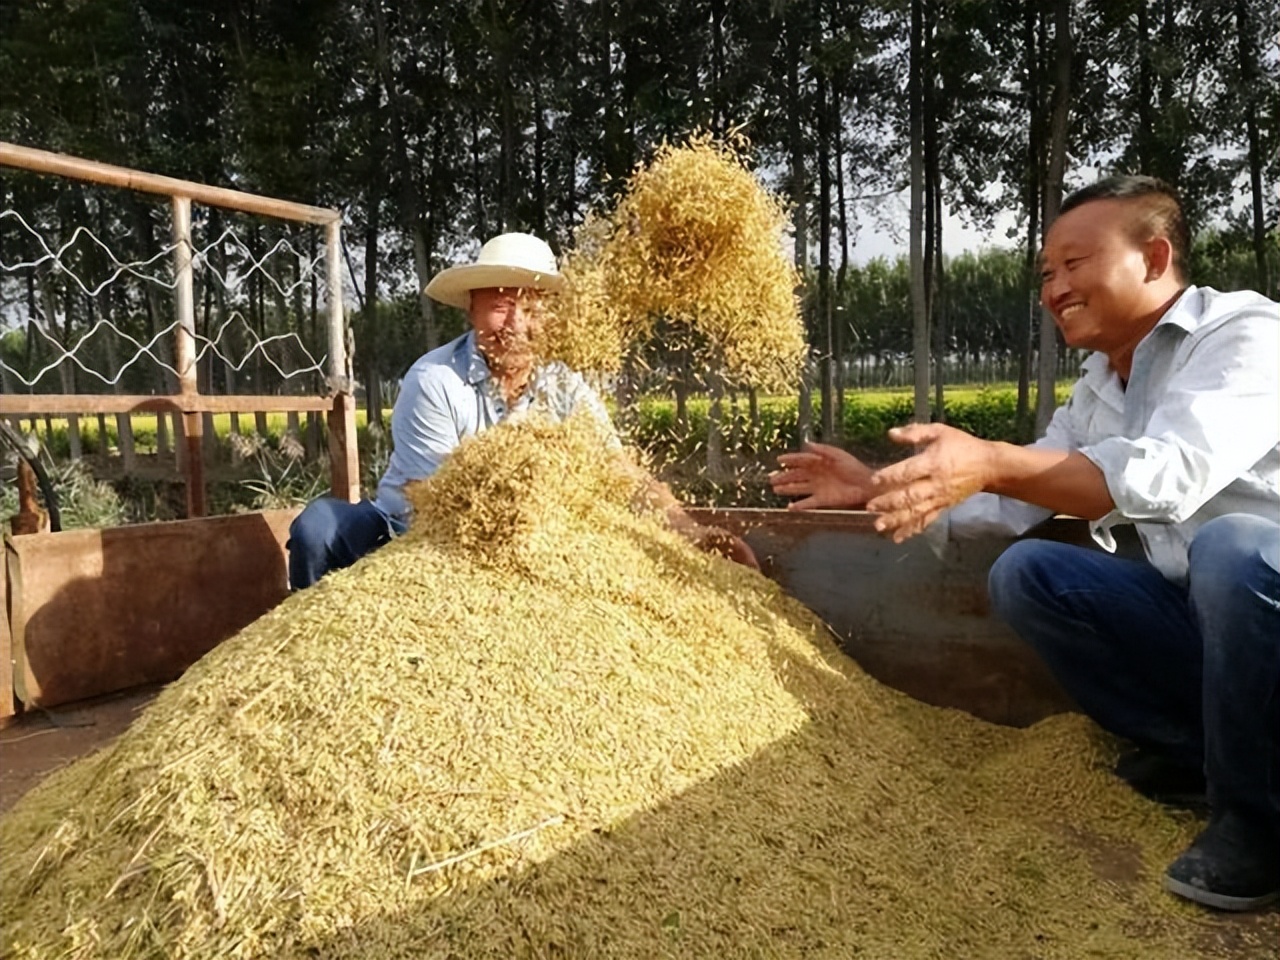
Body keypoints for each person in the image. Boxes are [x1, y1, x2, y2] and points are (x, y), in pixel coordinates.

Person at [769, 175, 1279, 912]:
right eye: (1046, 273)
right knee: (1030, 571)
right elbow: (1015, 500)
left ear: (1155, 256)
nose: (1055, 287)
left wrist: (992, 456)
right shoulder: (1102, 386)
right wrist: (879, 488)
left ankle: (1256, 822)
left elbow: (1170, 472)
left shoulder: (1244, 336)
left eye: (1075, 264)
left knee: (1232, 546)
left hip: (1261, 602)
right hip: (1206, 625)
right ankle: (1200, 760)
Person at [288, 231, 756, 590]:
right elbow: (432, 502)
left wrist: (690, 533)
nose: (515, 325)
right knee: (318, 528)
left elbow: (621, 473)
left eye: (532, 310)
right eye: (500, 306)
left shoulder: (565, 388)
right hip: (405, 539)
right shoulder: (434, 380)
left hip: (530, 544)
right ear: (471, 308)